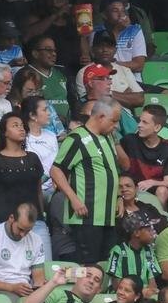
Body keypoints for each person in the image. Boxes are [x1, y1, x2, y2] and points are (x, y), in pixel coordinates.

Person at [51, 97, 121, 264]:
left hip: (108, 213)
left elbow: (112, 170)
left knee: (107, 263)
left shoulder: (108, 137)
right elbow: (56, 170)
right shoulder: (76, 138)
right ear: (101, 116)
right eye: (114, 121)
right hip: (87, 214)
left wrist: (119, 197)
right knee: (89, 264)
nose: (116, 126)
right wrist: (74, 199)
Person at [0, 112, 46, 251]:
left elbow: (39, 192)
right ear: (5, 132)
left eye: (22, 125)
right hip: (5, 224)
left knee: (44, 266)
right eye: (15, 125)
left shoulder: (33, 158)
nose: (21, 128)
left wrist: (42, 216)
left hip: (37, 223)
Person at [0, 202, 45, 300]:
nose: (23, 235)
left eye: (28, 230)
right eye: (20, 229)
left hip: (26, 290)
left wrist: (40, 287)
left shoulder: (36, 239)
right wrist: (12, 288)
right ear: (11, 218)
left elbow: (38, 278)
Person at [118, 104, 168, 208]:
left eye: (144, 122)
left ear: (157, 127)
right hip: (131, 187)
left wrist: (151, 182)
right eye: (140, 121)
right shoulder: (129, 141)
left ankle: (161, 219)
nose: (139, 125)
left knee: (162, 190)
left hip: (154, 187)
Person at [106, 210, 161, 297]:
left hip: (145, 296)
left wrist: (151, 292)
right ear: (137, 233)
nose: (152, 232)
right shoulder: (118, 251)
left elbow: (152, 284)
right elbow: (117, 285)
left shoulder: (149, 252)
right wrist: (140, 293)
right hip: (123, 295)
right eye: (148, 229)